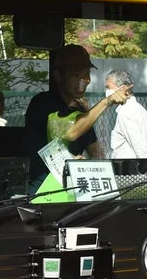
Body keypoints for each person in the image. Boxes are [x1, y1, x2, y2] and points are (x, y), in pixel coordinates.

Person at [25, 44, 130, 194]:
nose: (84, 80)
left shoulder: (81, 111)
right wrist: (106, 102)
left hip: (75, 191)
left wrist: (87, 166)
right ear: (57, 76)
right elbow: (70, 132)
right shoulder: (43, 103)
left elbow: (96, 152)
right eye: (76, 75)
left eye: (87, 74)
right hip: (44, 193)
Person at [105, 68, 147, 159]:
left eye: (109, 88)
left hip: (131, 171)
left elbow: (139, 148)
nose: (107, 92)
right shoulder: (141, 110)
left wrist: (145, 168)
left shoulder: (125, 113)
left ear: (123, 88)